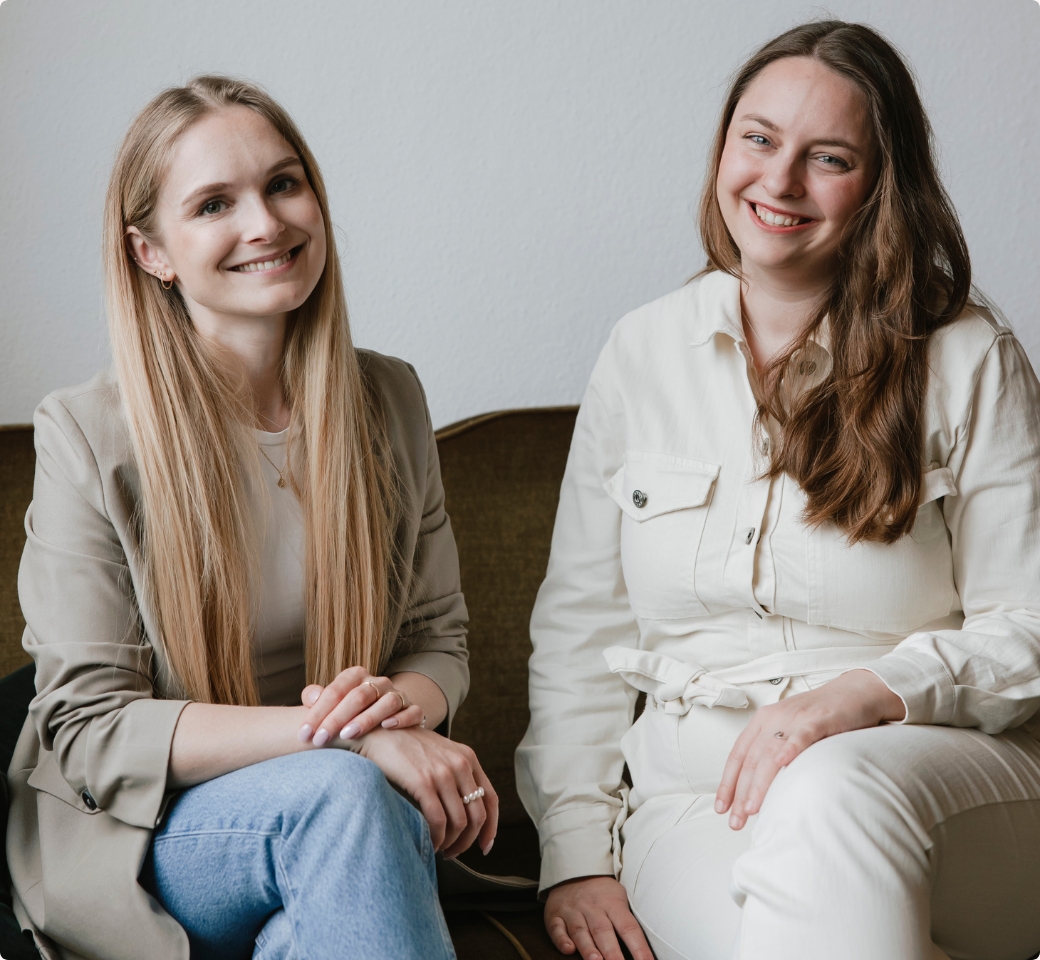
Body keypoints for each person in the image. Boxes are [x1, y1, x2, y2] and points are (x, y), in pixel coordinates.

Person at [516, 19, 1040, 960]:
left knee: (830, 791)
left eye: (828, 157)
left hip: (939, 777)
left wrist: (858, 697)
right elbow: (579, 634)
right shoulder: (641, 350)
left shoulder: (968, 356)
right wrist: (576, 854)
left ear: (881, 185)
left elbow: (1031, 627)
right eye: (758, 139)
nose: (780, 180)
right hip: (697, 800)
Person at [6, 75, 497, 960]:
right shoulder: (86, 433)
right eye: (214, 204)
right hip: (150, 830)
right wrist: (353, 742)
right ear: (152, 252)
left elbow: (437, 640)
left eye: (283, 184)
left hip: (344, 824)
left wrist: (386, 720)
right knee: (342, 797)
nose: (265, 223)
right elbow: (89, 728)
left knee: (309, 919)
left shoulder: (388, 398)